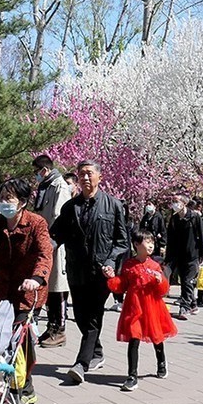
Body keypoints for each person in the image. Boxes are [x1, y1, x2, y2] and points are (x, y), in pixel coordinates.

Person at [50, 160, 130, 385]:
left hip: (100, 273)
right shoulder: (70, 207)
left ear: (99, 177)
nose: (85, 178)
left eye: (89, 174)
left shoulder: (113, 205)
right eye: (81, 174)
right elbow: (56, 235)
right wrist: (45, 248)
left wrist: (112, 261)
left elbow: (123, 241)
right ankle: (96, 352)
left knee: (94, 317)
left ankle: (81, 364)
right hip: (76, 271)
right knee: (81, 317)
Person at [0, 177, 53, 404]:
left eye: (8, 198)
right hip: (1, 290)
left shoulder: (37, 223)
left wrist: (36, 278)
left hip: (27, 293)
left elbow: (45, 255)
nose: (3, 203)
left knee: (21, 341)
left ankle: (22, 388)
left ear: (22, 202)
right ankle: (1, 386)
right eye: (1, 198)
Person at [107, 231, 176, 391]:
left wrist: (160, 282)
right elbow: (122, 284)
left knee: (156, 337)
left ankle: (161, 362)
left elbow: (163, 289)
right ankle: (132, 376)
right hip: (134, 308)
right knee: (134, 338)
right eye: (147, 241)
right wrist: (111, 278)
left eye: (152, 241)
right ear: (137, 245)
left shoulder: (155, 266)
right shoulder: (129, 265)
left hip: (152, 308)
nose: (151, 245)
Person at [33, 155, 72, 347]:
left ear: (44, 171)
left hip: (55, 244)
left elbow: (59, 217)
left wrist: (49, 241)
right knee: (48, 288)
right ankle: (51, 326)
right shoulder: (45, 187)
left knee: (57, 288)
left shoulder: (59, 186)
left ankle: (60, 329)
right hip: (44, 243)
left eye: (36, 173)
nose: (35, 177)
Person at [165, 194, 203, 320]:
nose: (174, 204)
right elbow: (170, 239)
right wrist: (168, 258)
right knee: (184, 281)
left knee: (187, 281)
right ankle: (193, 304)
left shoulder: (194, 217)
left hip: (192, 255)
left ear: (184, 203)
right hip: (178, 255)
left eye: (176, 201)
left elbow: (201, 236)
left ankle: (185, 306)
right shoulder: (174, 219)